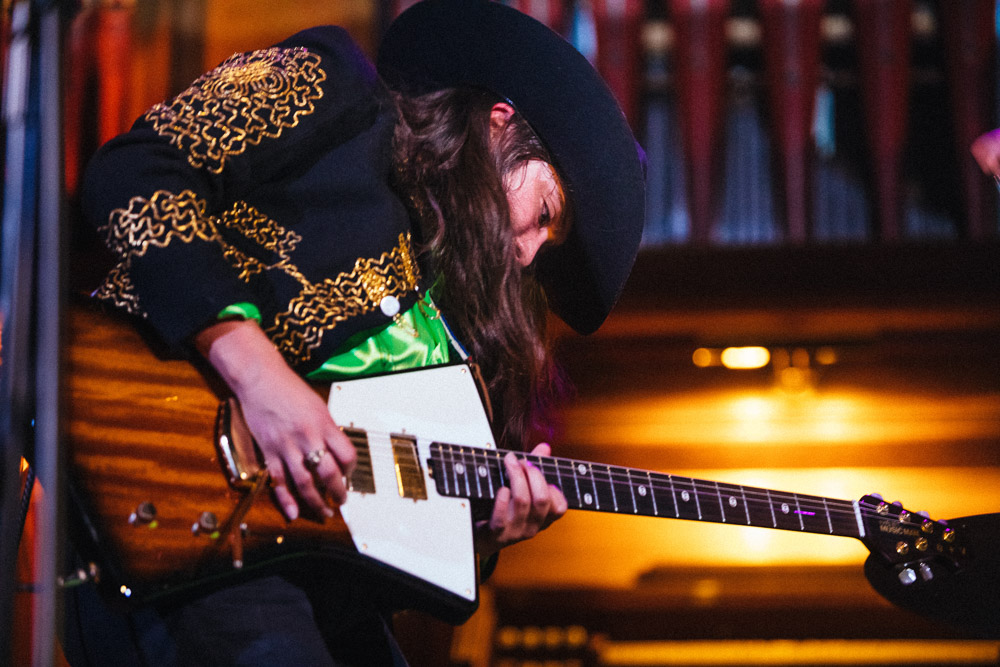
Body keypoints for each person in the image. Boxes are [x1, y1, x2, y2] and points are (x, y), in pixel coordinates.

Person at [67, 0, 645, 664]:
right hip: (177, 507)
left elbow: (389, 545)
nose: (528, 253)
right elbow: (136, 171)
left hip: (321, 581)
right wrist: (258, 373)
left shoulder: (458, 330)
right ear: (499, 126)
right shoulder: (337, 86)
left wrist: (483, 532)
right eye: (544, 213)